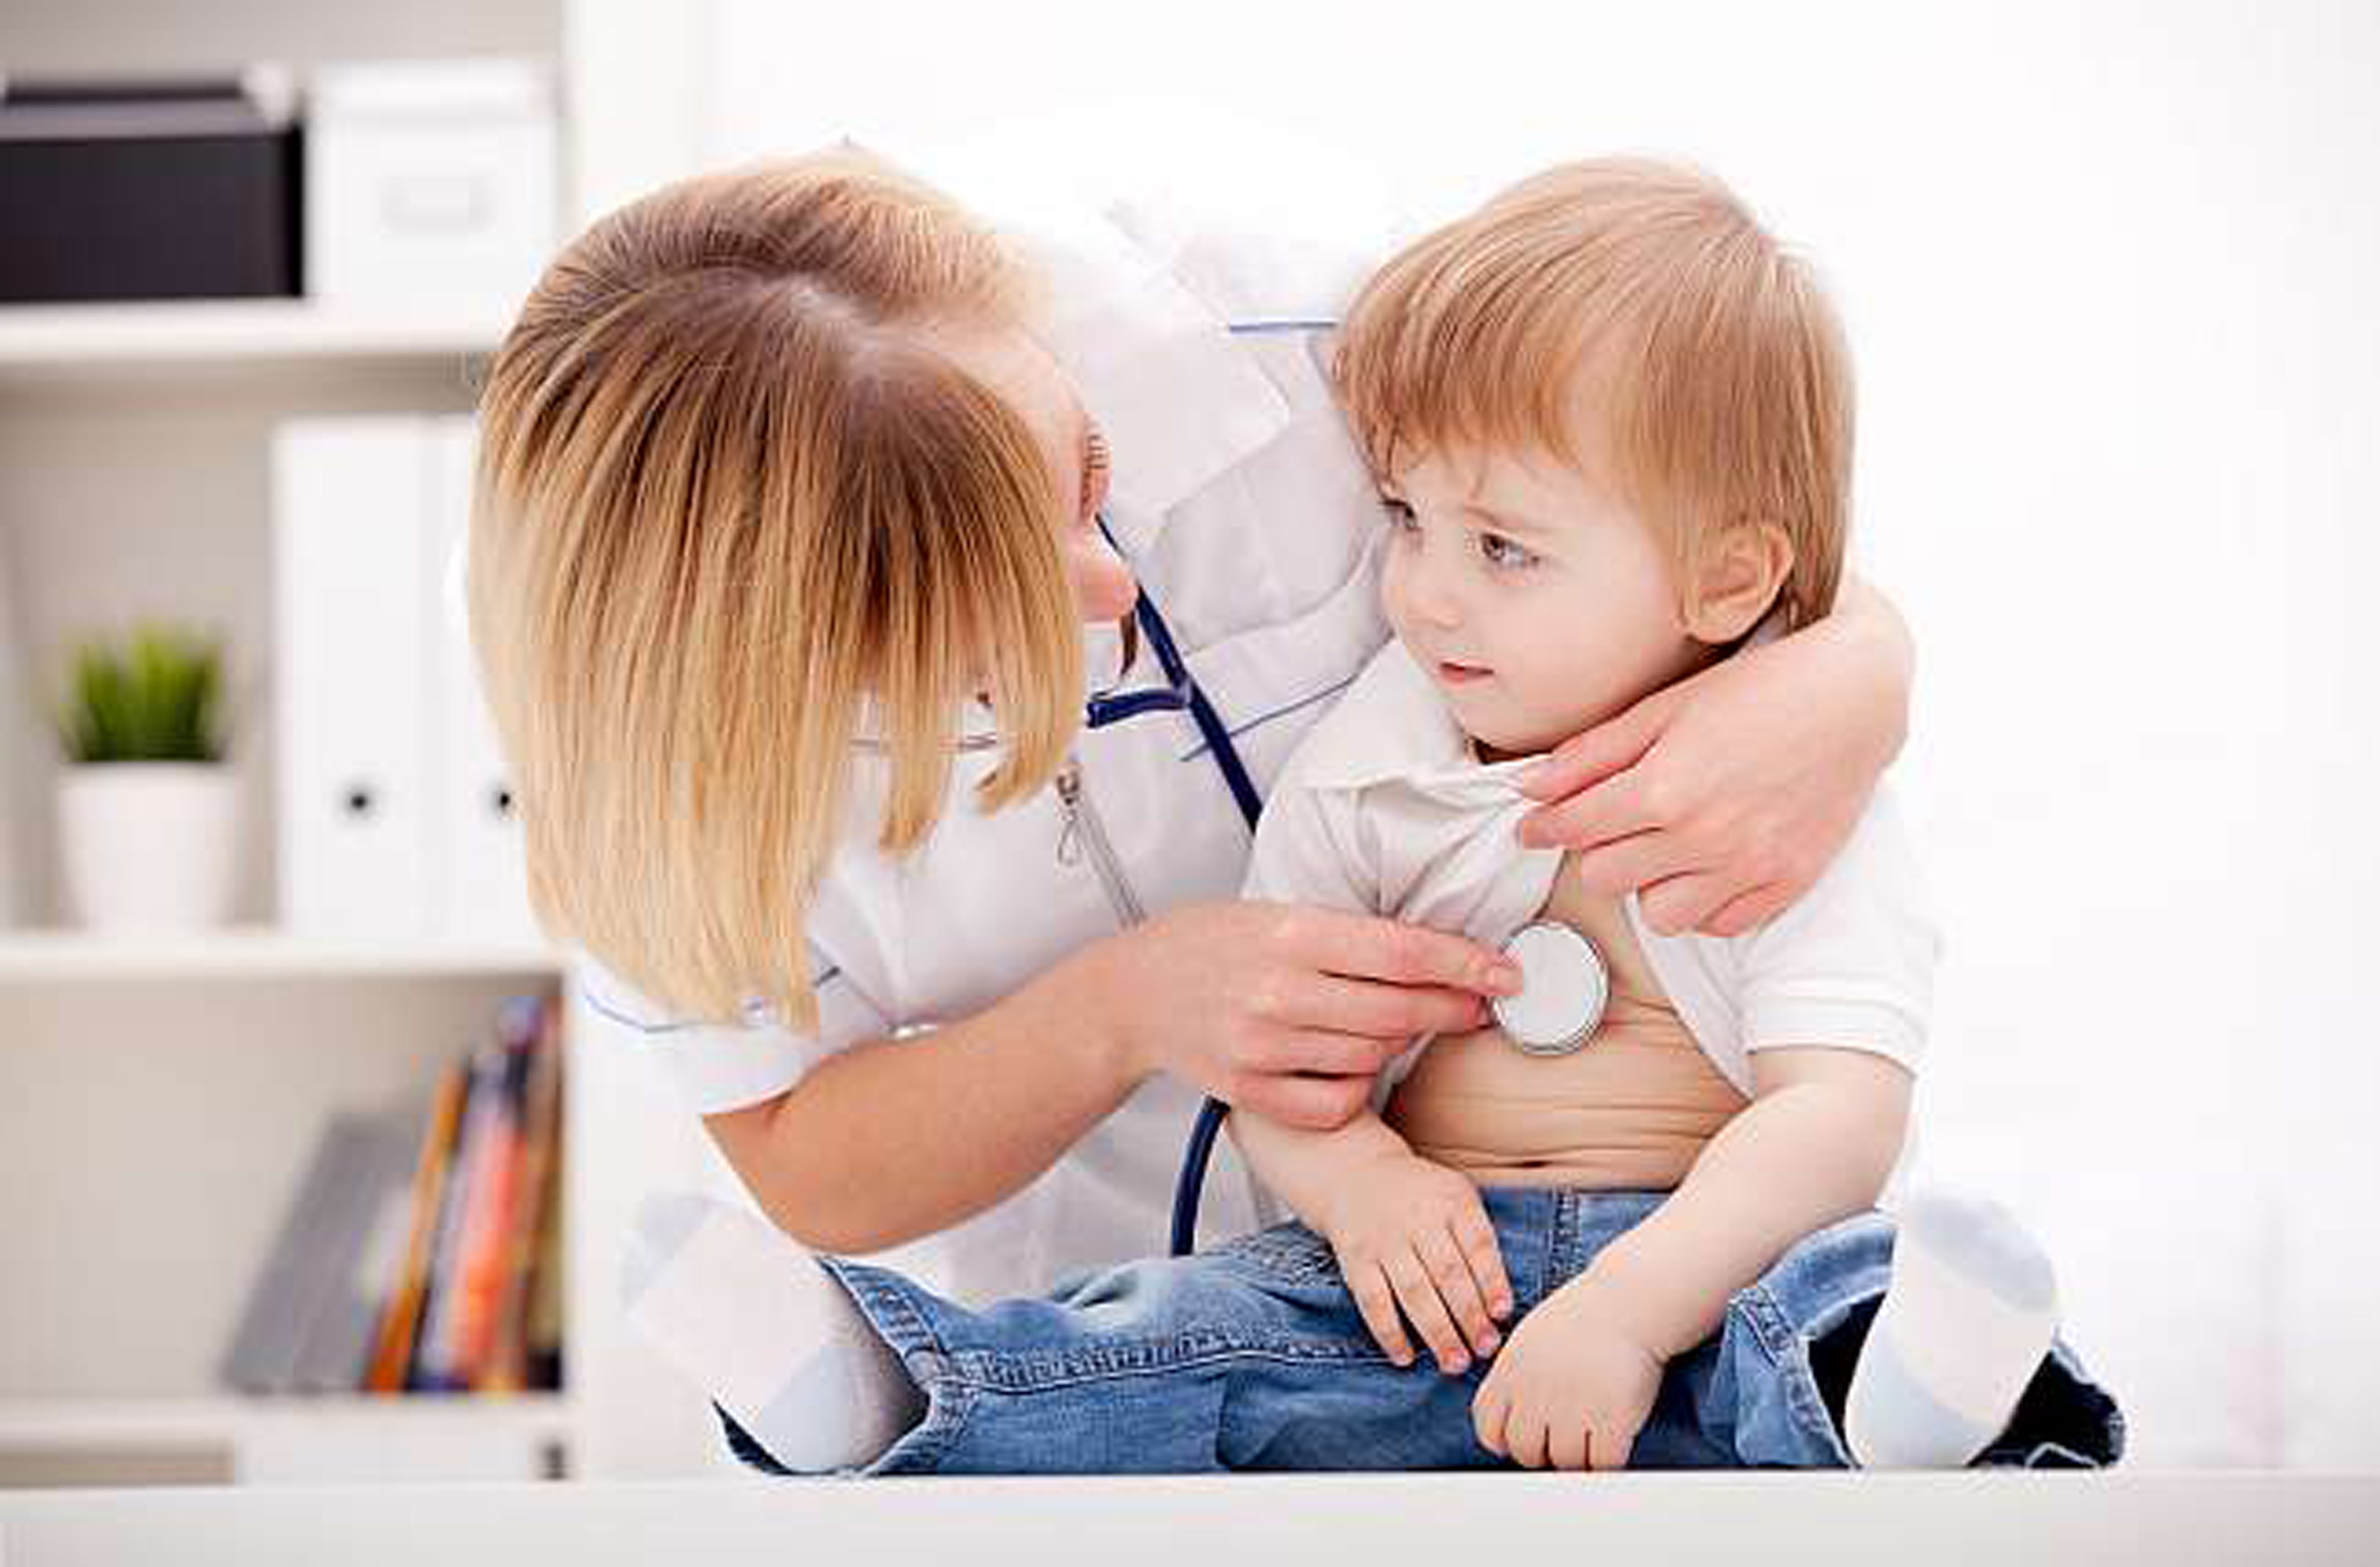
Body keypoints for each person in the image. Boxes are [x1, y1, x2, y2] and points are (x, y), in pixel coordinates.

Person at [615, 157, 2125, 1476]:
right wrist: (1366, 1192)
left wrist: (1857, 660)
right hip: (1408, 1296)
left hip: (1710, 1277)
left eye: (1500, 551)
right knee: (1184, 1337)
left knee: (1832, 1301)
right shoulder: (1372, 770)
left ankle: (1909, 1408)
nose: (1424, 593)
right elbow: (1286, 1072)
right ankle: (900, 1389)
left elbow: (1838, 1114)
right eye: (1400, 519)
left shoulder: (1771, 796)